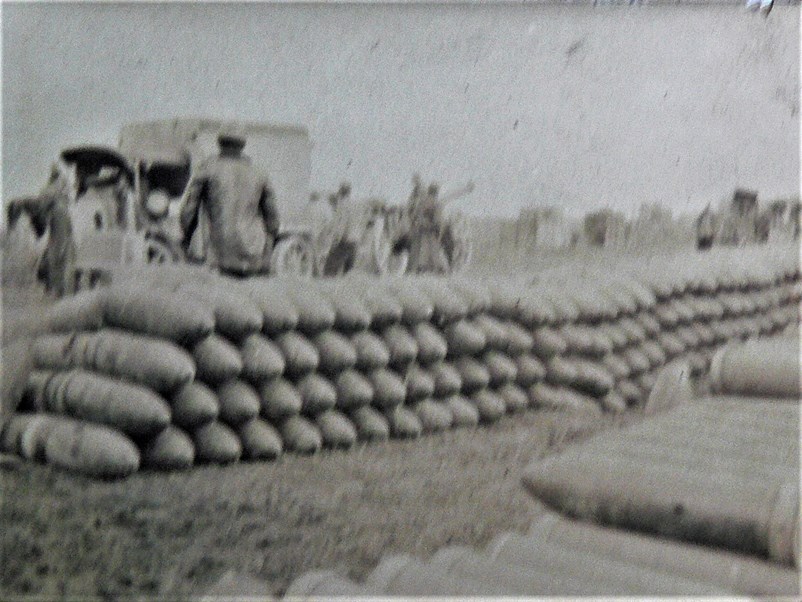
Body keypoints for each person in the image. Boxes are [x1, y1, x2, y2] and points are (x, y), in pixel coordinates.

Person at [180, 131, 279, 277]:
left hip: (217, 258)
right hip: (252, 259)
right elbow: (273, 220)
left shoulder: (206, 168)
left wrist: (186, 239)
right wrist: (266, 250)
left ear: (219, 144)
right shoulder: (259, 173)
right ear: (243, 146)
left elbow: (188, 212)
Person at [7, 163, 76, 297]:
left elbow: (42, 210)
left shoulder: (52, 190)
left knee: (57, 252)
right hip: (60, 219)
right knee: (59, 253)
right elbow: (43, 208)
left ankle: (56, 288)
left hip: (59, 220)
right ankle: (57, 287)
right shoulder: (54, 189)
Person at [408, 182, 449, 274]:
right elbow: (438, 219)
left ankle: (422, 267)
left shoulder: (422, 202)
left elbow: (415, 215)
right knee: (434, 248)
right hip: (432, 229)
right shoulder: (436, 203)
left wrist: (418, 224)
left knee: (424, 248)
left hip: (422, 228)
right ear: (436, 192)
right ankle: (436, 268)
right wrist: (440, 231)